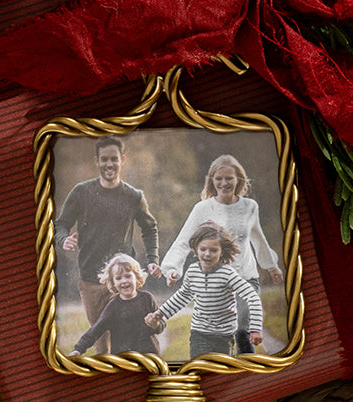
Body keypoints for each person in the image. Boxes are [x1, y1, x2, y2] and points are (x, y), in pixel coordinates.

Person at [159, 154, 282, 353]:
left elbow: (258, 238)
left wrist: (271, 267)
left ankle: (247, 369)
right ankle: (222, 364)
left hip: (246, 276)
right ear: (212, 181)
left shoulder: (250, 207)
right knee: (221, 332)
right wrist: (173, 269)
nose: (224, 183)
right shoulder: (202, 208)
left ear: (238, 180)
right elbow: (184, 240)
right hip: (217, 280)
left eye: (229, 178)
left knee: (243, 331)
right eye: (219, 178)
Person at [55, 137, 160, 352]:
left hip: (122, 277)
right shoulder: (81, 192)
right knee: (101, 343)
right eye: (104, 159)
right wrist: (64, 239)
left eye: (114, 159)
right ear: (97, 161)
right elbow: (60, 224)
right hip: (90, 281)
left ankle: (148, 367)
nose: (109, 164)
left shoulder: (133, 196)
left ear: (122, 160)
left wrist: (152, 259)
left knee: (138, 336)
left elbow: (150, 228)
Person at [146, 223, 263, 359]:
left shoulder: (227, 274)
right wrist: (160, 313)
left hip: (224, 335)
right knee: (200, 366)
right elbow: (182, 296)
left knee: (220, 369)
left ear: (221, 252)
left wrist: (255, 328)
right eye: (203, 249)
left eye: (213, 250)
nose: (207, 254)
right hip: (199, 333)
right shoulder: (193, 271)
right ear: (196, 249)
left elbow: (252, 297)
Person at [72, 254, 160, 356]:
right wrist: (78, 349)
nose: (124, 281)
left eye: (128, 276)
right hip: (123, 359)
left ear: (136, 277)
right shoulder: (113, 306)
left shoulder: (147, 298)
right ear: (113, 282)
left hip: (149, 356)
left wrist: (156, 324)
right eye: (118, 278)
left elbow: (161, 324)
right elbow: (95, 330)